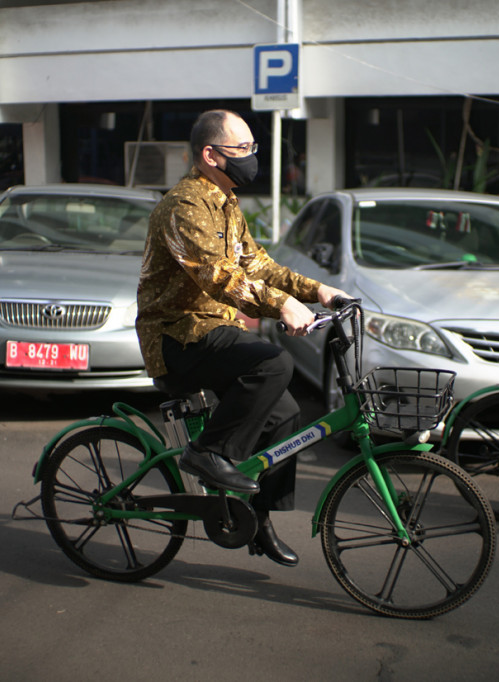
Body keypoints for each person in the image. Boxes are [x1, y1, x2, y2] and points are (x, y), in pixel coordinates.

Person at [135, 109, 348, 567]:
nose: (251, 156)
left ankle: (258, 521)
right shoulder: (186, 206)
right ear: (210, 155)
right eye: (243, 149)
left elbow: (258, 265)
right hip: (177, 338)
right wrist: (281, 306)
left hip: (214, 331)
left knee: (285, 414)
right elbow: (217, 275)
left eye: (253, 147)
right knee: (274, 364)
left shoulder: (227, 203)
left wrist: (317, 291)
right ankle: (208, 452)